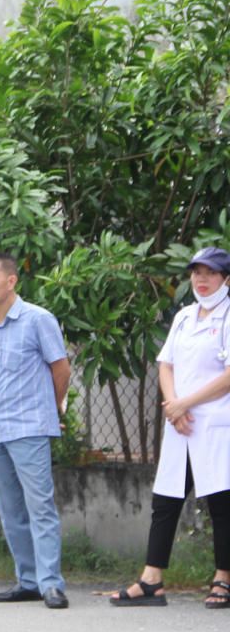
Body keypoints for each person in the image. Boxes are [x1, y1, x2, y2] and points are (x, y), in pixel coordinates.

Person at [112, 246, 230, 608]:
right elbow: (166, 364)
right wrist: (173, 405)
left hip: (215, 425)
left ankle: (223, 578)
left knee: (221, 503)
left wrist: (185, 403)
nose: (201, 279)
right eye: (196, 272)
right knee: (165, 501)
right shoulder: (183, 316)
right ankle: (152, 580)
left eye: (210, 273)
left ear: (226, 278)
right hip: (181, 425)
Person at [0, 251, 70, 609]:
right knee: (9, 509)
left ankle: (51, 583)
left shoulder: (37, 320)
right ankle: (27, 580)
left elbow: (61, 370)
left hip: (29, 427)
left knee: (40, 506)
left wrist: (50, 408)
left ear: (11, 281)